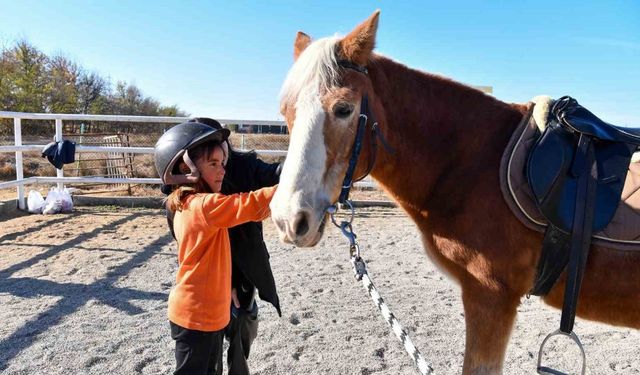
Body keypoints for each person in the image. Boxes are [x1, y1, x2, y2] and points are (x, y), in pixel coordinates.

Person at [154, 121, 277, 375]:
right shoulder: (203, 206)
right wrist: (294, 186)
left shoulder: (187, 204)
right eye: (213, 164)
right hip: (196, 317)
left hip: (206, 316)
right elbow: (251, 205)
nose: (222, 171)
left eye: (223, 163)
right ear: (182, 168)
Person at [189, 117, 281, 375]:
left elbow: (272, 175)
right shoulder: (188, 192)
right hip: (209, 267)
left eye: (221, 157)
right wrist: (220, 281)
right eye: (212, 161)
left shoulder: (242, 166)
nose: (221, 168)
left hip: (242, 262)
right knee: (209, 337)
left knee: (243, 321)